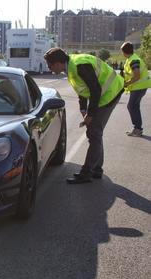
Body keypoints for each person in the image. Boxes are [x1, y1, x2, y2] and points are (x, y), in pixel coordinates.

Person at [44, 47, 124, 184]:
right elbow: (82, 89)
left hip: (110, 93)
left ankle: (87, 173)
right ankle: (96, 170)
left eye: (50, 65)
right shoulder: (71, 67)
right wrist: (82, 109)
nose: (49, 68)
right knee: (95, 132)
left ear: (57, 63)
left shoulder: (80, 66)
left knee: (94, 133)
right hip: (104, 94)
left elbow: (95, 90)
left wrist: (91, 114)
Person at [120, 41, 151, 137]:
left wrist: (126, 83)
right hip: (139, 87)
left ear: (124, 52)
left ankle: (137, 129)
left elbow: (137, 76)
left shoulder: (134, 60)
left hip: (139, 87)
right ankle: (137, 128)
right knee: (134, 106)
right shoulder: (132, 59)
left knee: (132, 106)